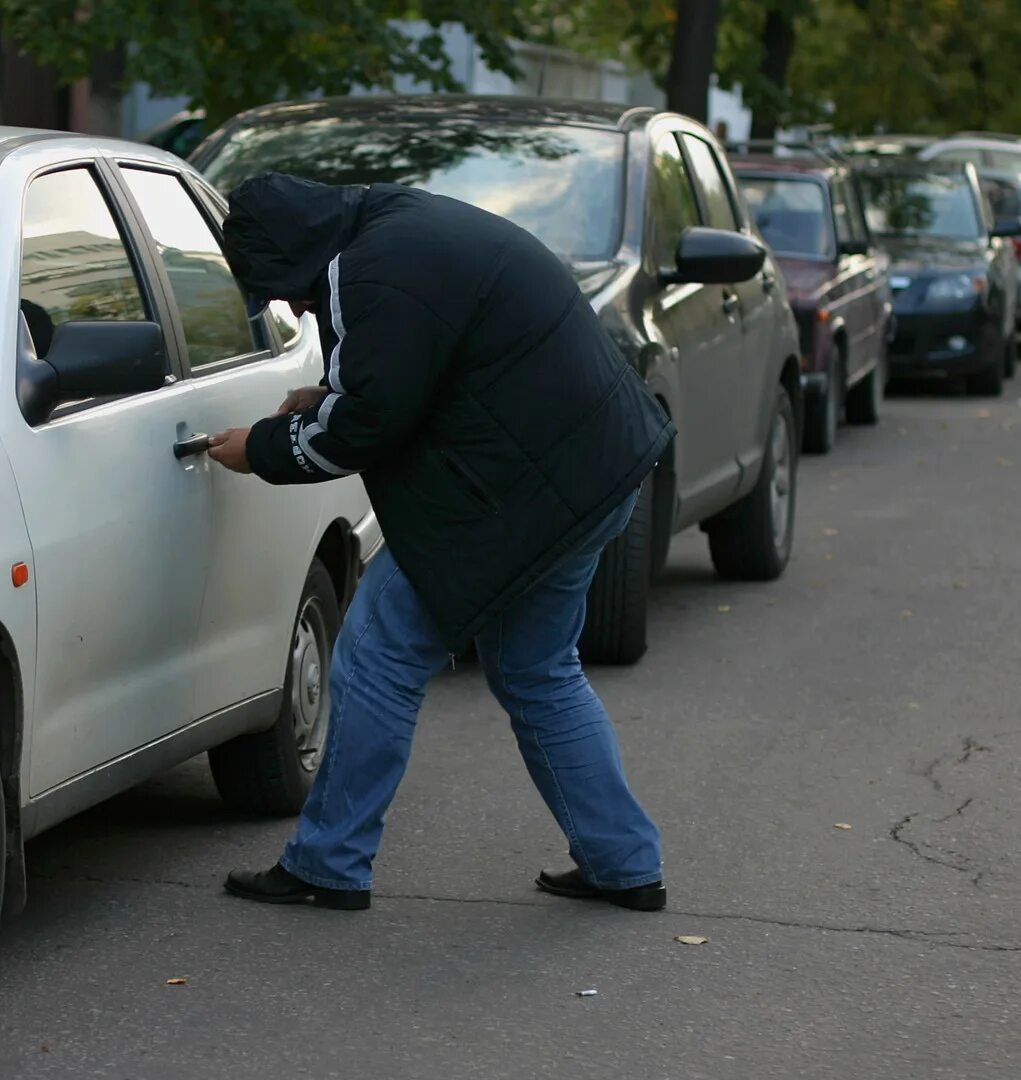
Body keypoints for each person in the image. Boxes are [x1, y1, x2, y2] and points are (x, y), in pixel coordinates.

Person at [206, 173, 676, 913]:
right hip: (597, 471)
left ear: (295, 253)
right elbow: (417, 362)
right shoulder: (400, 227)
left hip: (527, 500)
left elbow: (369, 425)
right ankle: (623, 862)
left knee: (373, 656)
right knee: (537, 670)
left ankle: (329, 862)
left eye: (282, 286)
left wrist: (259, 448)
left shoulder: (367, 269)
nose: (291, 304)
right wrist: (331, 393)